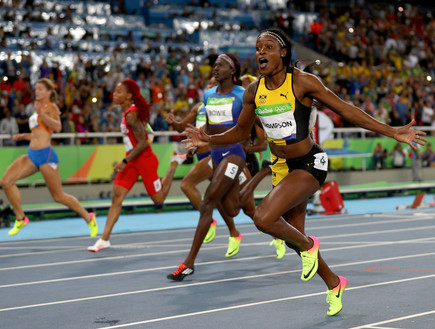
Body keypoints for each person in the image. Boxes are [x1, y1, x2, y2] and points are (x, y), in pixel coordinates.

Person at [184, 28, 426, 316]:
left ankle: (312, 246)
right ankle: (335, 283)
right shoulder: (253, 91)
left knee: (263, 218)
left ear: (283, 52)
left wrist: (391, 131)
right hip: (281, 167)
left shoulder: (302, 82)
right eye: (258, 47)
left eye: (268, 47)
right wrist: (208, 140)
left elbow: (347, 110)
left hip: (310, 163)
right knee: (293, 239)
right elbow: (239, 131)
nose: (261, 52)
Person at [167, 53, 268, 281]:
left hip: (235, 155)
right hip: (215, 155)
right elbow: (212, 128)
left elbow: (259, 121)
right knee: (233, 209)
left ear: (233, 71)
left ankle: (189, 263)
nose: (215, 69)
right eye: (214, 66)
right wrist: (198, 141)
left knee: (207, 202)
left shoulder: (244, 95)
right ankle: (262, 174)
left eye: (220, 65)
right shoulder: (209, 95)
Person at [88, 79, 186, 252]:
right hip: (132, 160)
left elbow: (143, 144)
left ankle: (173, 164)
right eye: (115, 91)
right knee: (117, 196)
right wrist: (127, 160)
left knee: (159, 200)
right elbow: (144, 135)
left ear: (129, 96)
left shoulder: (131, 115)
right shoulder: (128, 112)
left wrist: (124, 161)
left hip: (145, 159)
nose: (114, 94)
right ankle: (104, 239)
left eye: (119, 92)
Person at [0, 78, 98, 236]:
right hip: (32, 155)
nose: (36, 91)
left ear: (49, 92)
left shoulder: (51, 107)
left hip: (46, 156)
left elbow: (57, 127)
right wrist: (23, 136)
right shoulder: (36, 107)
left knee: (58, 196)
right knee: (6, 181)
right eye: (36, 88)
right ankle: (20, 217)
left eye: (40, 89)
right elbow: (38, 133)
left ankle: (89, 217)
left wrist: (40, 113)